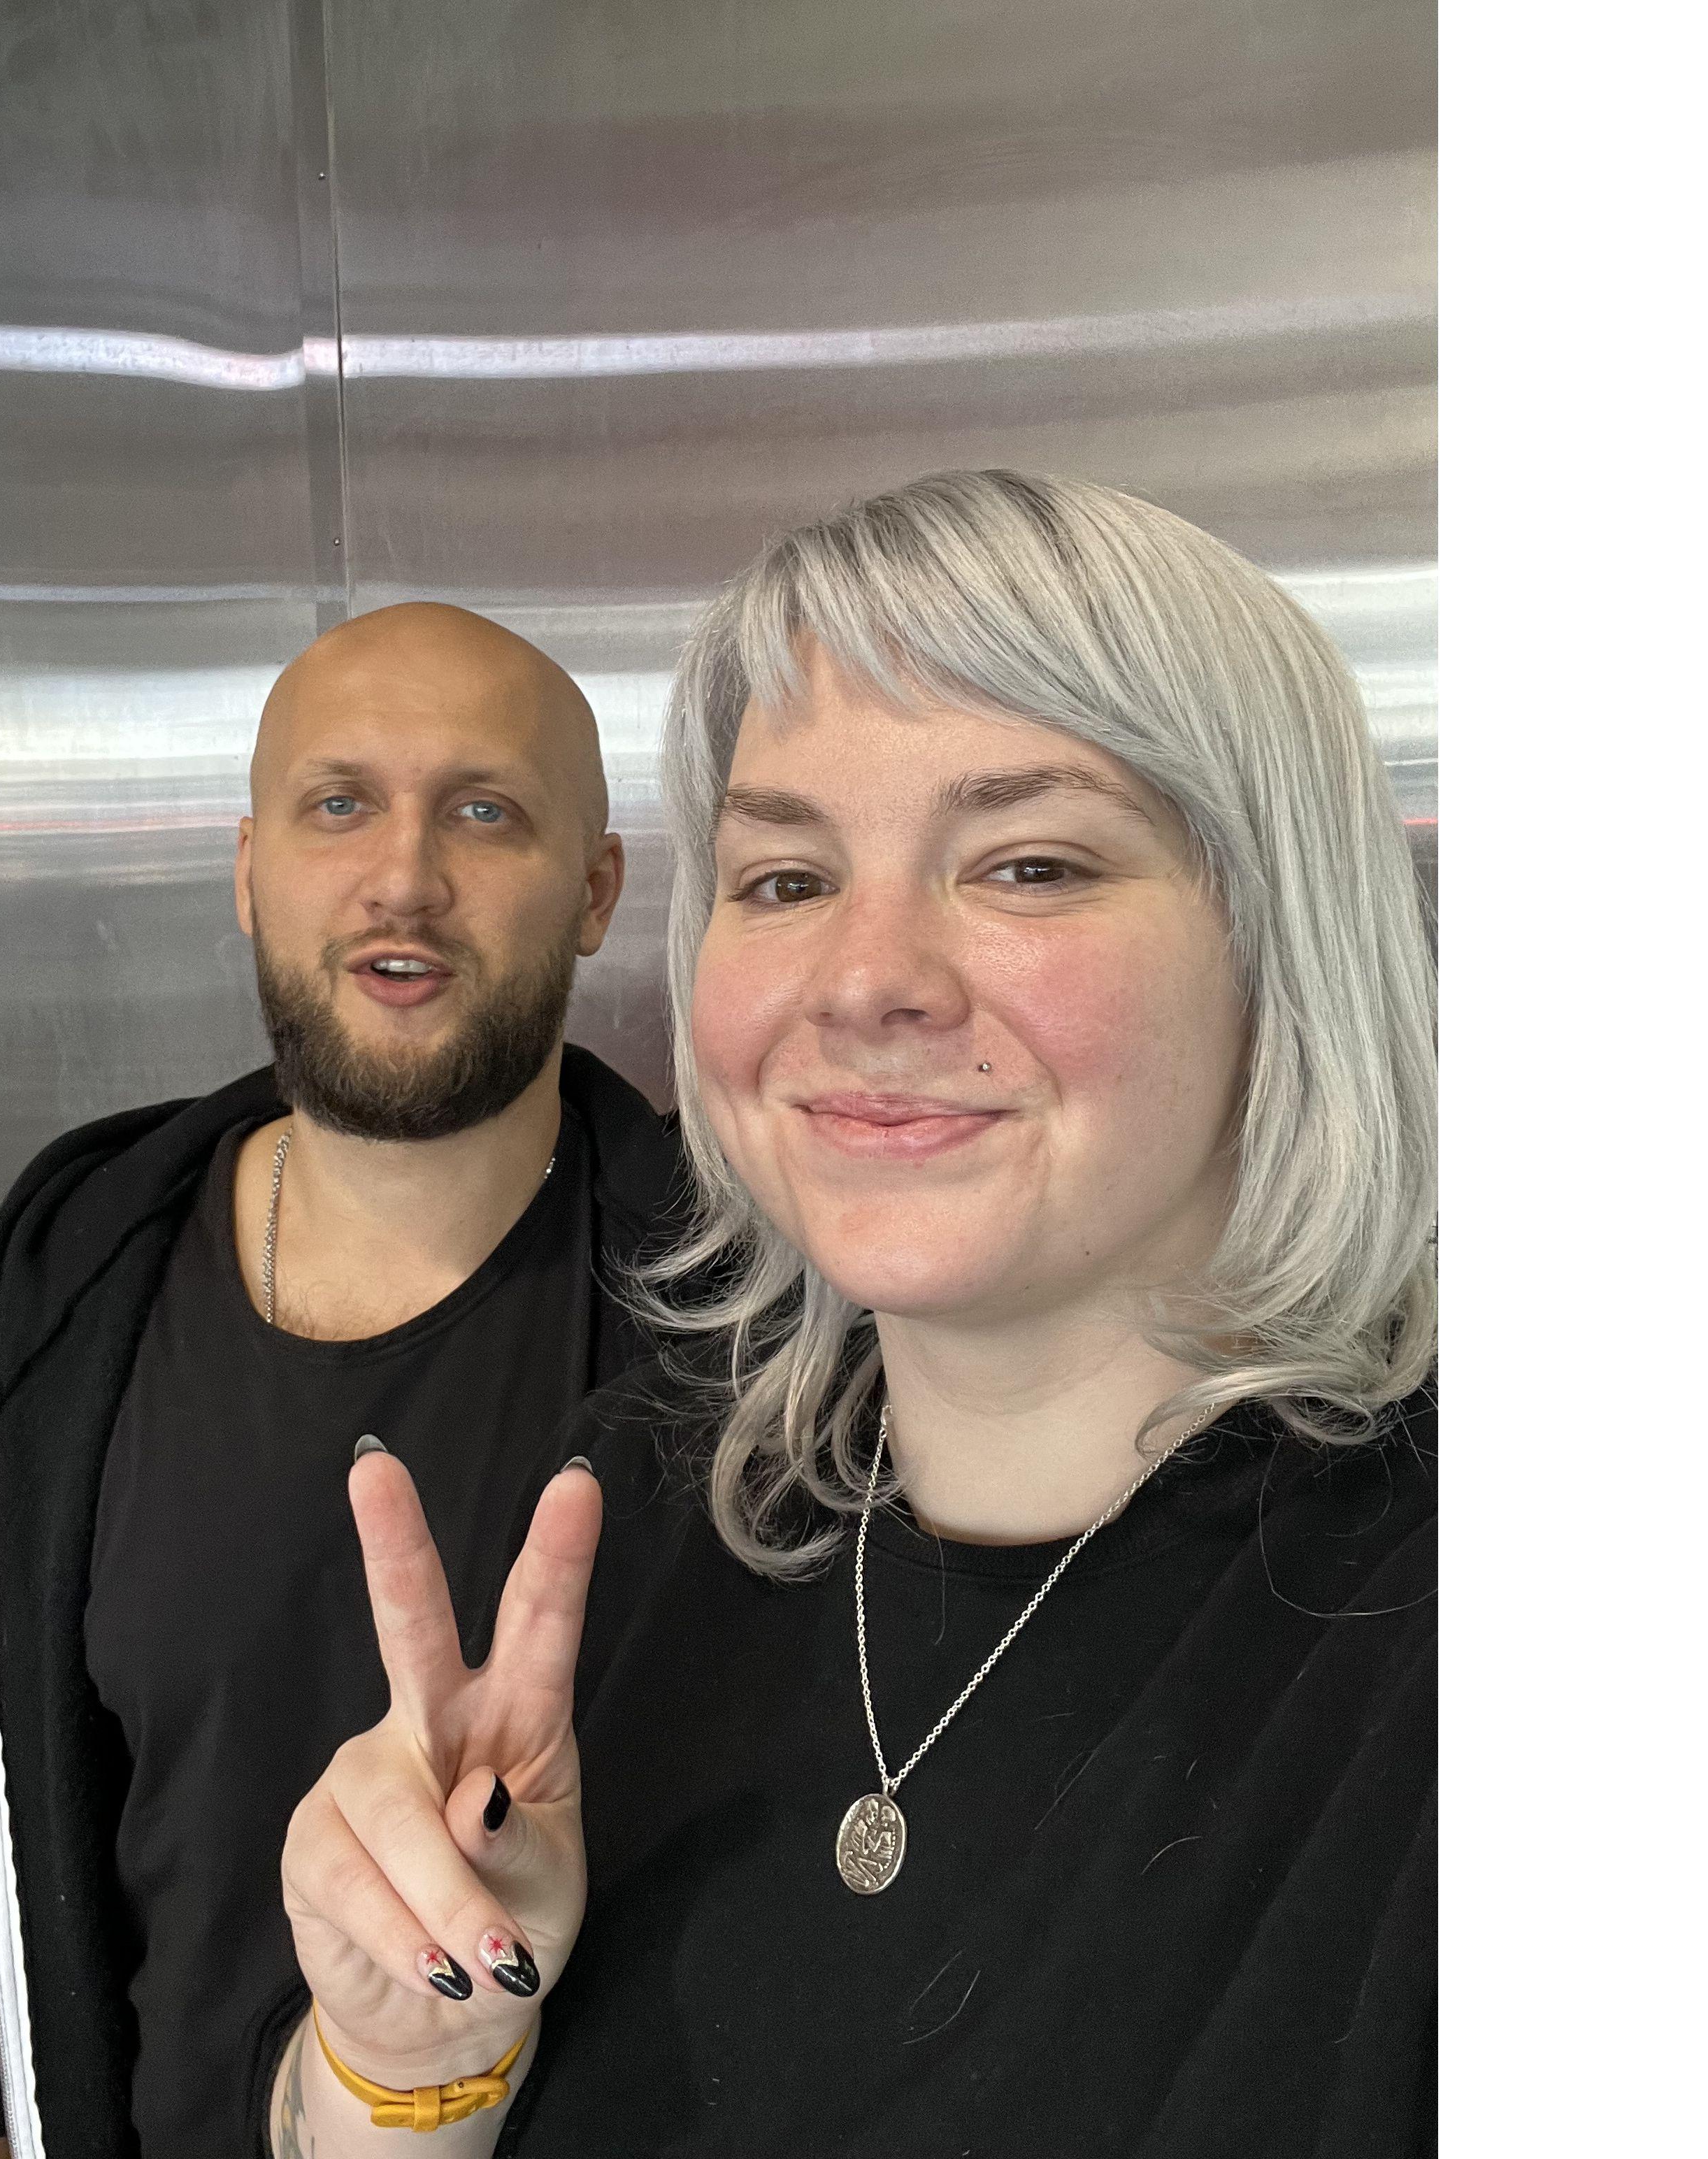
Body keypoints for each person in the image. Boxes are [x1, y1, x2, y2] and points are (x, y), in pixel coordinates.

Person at [266, 471, 1438, 2157]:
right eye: (786, 878)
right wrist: (412, 2057)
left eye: (1026, 863)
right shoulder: (646, 1493)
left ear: (1280, 944)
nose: (865, 977)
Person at [0, 603, 691, 2159]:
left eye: (484, 810)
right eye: (338, 803)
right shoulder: (76, 1262)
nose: (403, 876)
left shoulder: (739, 1337)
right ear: (251, 869)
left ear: (595, 893)